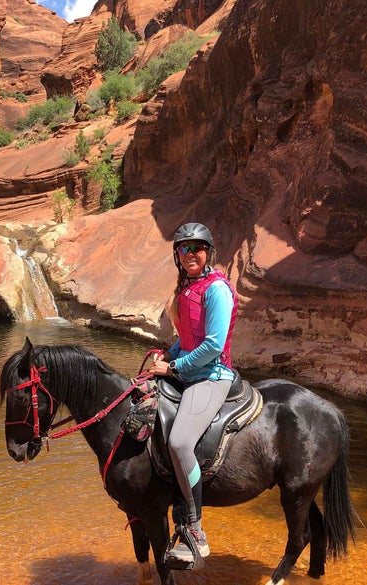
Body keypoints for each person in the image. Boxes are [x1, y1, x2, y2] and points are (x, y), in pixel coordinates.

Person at [148, 222, 237, 567]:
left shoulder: (216, 290)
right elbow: (188, 339)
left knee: (180, 442)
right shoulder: (189, 288)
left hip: (211, 376)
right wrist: (168, 354)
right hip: (186, 369)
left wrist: (172, 369)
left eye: (197, 248)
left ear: (209, 252)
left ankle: (195, 529)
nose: (191, 255)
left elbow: (213, 346)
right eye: (184, 249)